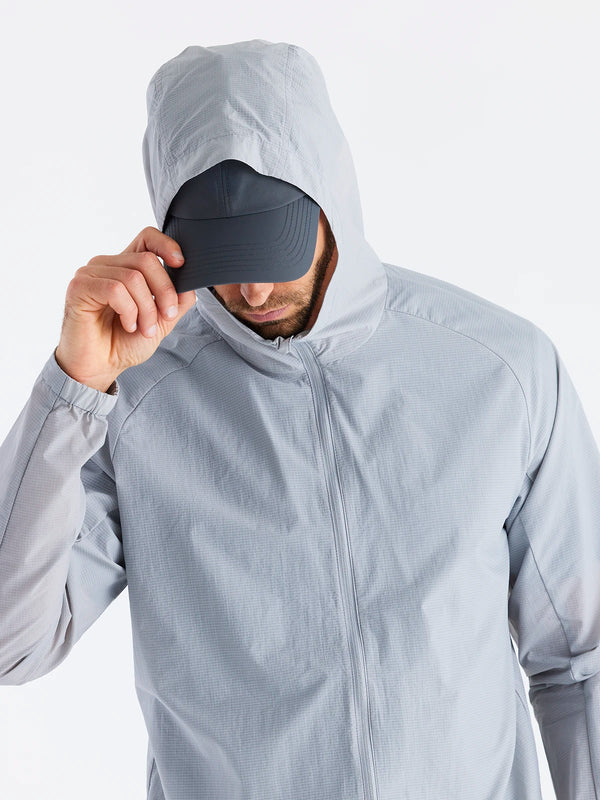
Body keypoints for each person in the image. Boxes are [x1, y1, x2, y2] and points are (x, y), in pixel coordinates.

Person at [0, 39, 598, 800]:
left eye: (271, 248)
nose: (251, 292)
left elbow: (580, 660)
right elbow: (10, 646)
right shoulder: (131, 402)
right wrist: (75, 386)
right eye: (221, 258)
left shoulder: (498, 371)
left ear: (329, 198)